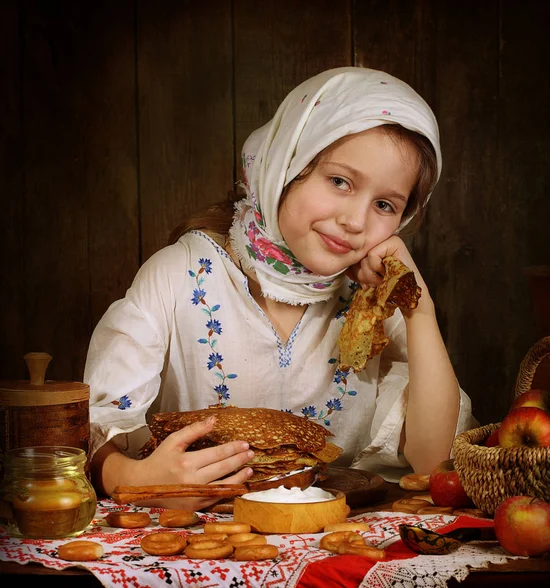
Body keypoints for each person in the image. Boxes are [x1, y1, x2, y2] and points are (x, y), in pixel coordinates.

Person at [84, 66, 476, 510]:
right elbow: (94, 426)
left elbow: (432, 459)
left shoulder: (376, 303)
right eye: (340, 181)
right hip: (201, 542)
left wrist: (417, 306)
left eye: (384, 204)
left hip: (332, 546)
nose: (355, 221)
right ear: (286, 165)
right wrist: (133, 475)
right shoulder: (178, 275)